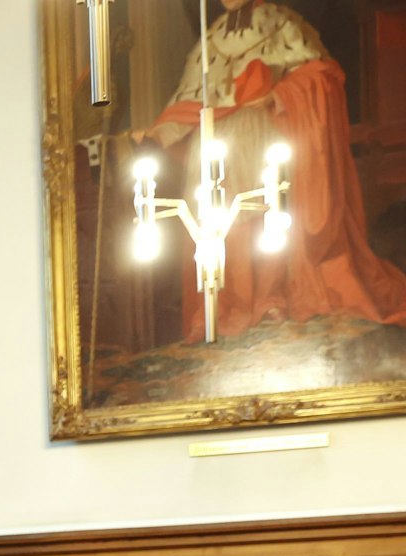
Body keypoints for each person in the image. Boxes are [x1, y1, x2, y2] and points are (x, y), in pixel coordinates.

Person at [130, 0, 406, 341]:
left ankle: (272, 297)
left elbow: (319, 75)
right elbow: (191, 103)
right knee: (221, 227)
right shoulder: (212, 38)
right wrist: (156, 134)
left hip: (265, 138)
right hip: (217, 148)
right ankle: (231, 305)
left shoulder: (280, 21)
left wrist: (281, 96)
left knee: (269, 214)